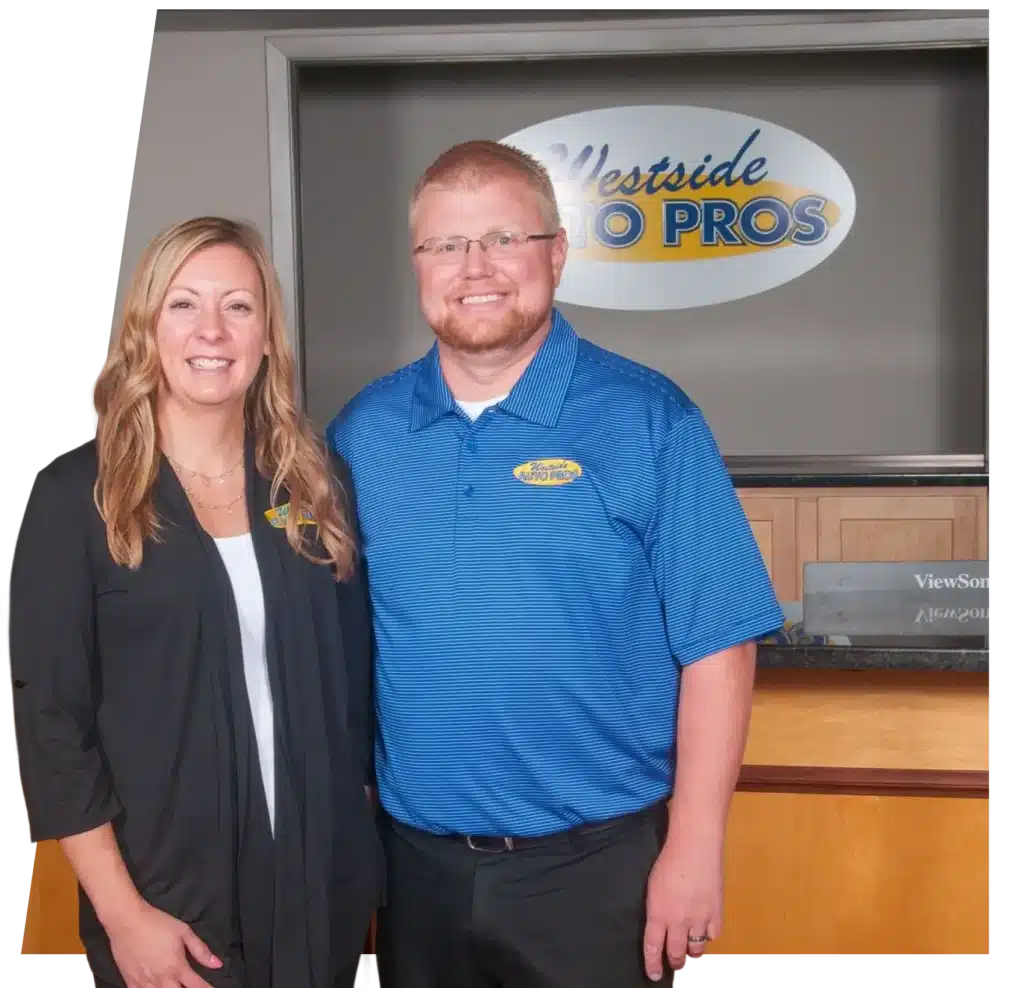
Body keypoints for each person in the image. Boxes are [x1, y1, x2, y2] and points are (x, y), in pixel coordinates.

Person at [326, 140, 785, 987]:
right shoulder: (363, 434)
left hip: (597, 873)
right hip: (411, 872)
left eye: (505, 238)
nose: (476, 268)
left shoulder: (651, 420)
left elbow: (721, 645)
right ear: (419, 265)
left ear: (558, 254)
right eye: (447, 245)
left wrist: (695, 844)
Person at [9, 217, 382, 988]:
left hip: (320, 900)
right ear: (147, 326)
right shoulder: (77, 497)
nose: (211, 330)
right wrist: (123, 916)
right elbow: (50, 723)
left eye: (239, 306)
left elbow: (352, 685)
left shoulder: (308, 485)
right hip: (171, 913)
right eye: (184, 304)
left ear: (268, 333)